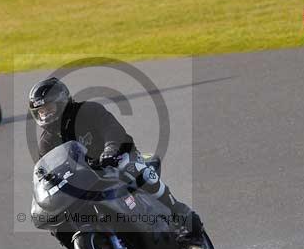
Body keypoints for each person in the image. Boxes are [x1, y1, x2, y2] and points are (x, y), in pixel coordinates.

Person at [28, 77, 203, 240]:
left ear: (62, 102)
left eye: (49, 109)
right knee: (57, 219)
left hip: (115, 157)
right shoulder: (46, 143)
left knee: (131, 169)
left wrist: (110, 150)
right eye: (41, 112)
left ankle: (178, 211)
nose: (46, 115)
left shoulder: (88, 111)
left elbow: (111, 129)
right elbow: (47, 172)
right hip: (85, 178)